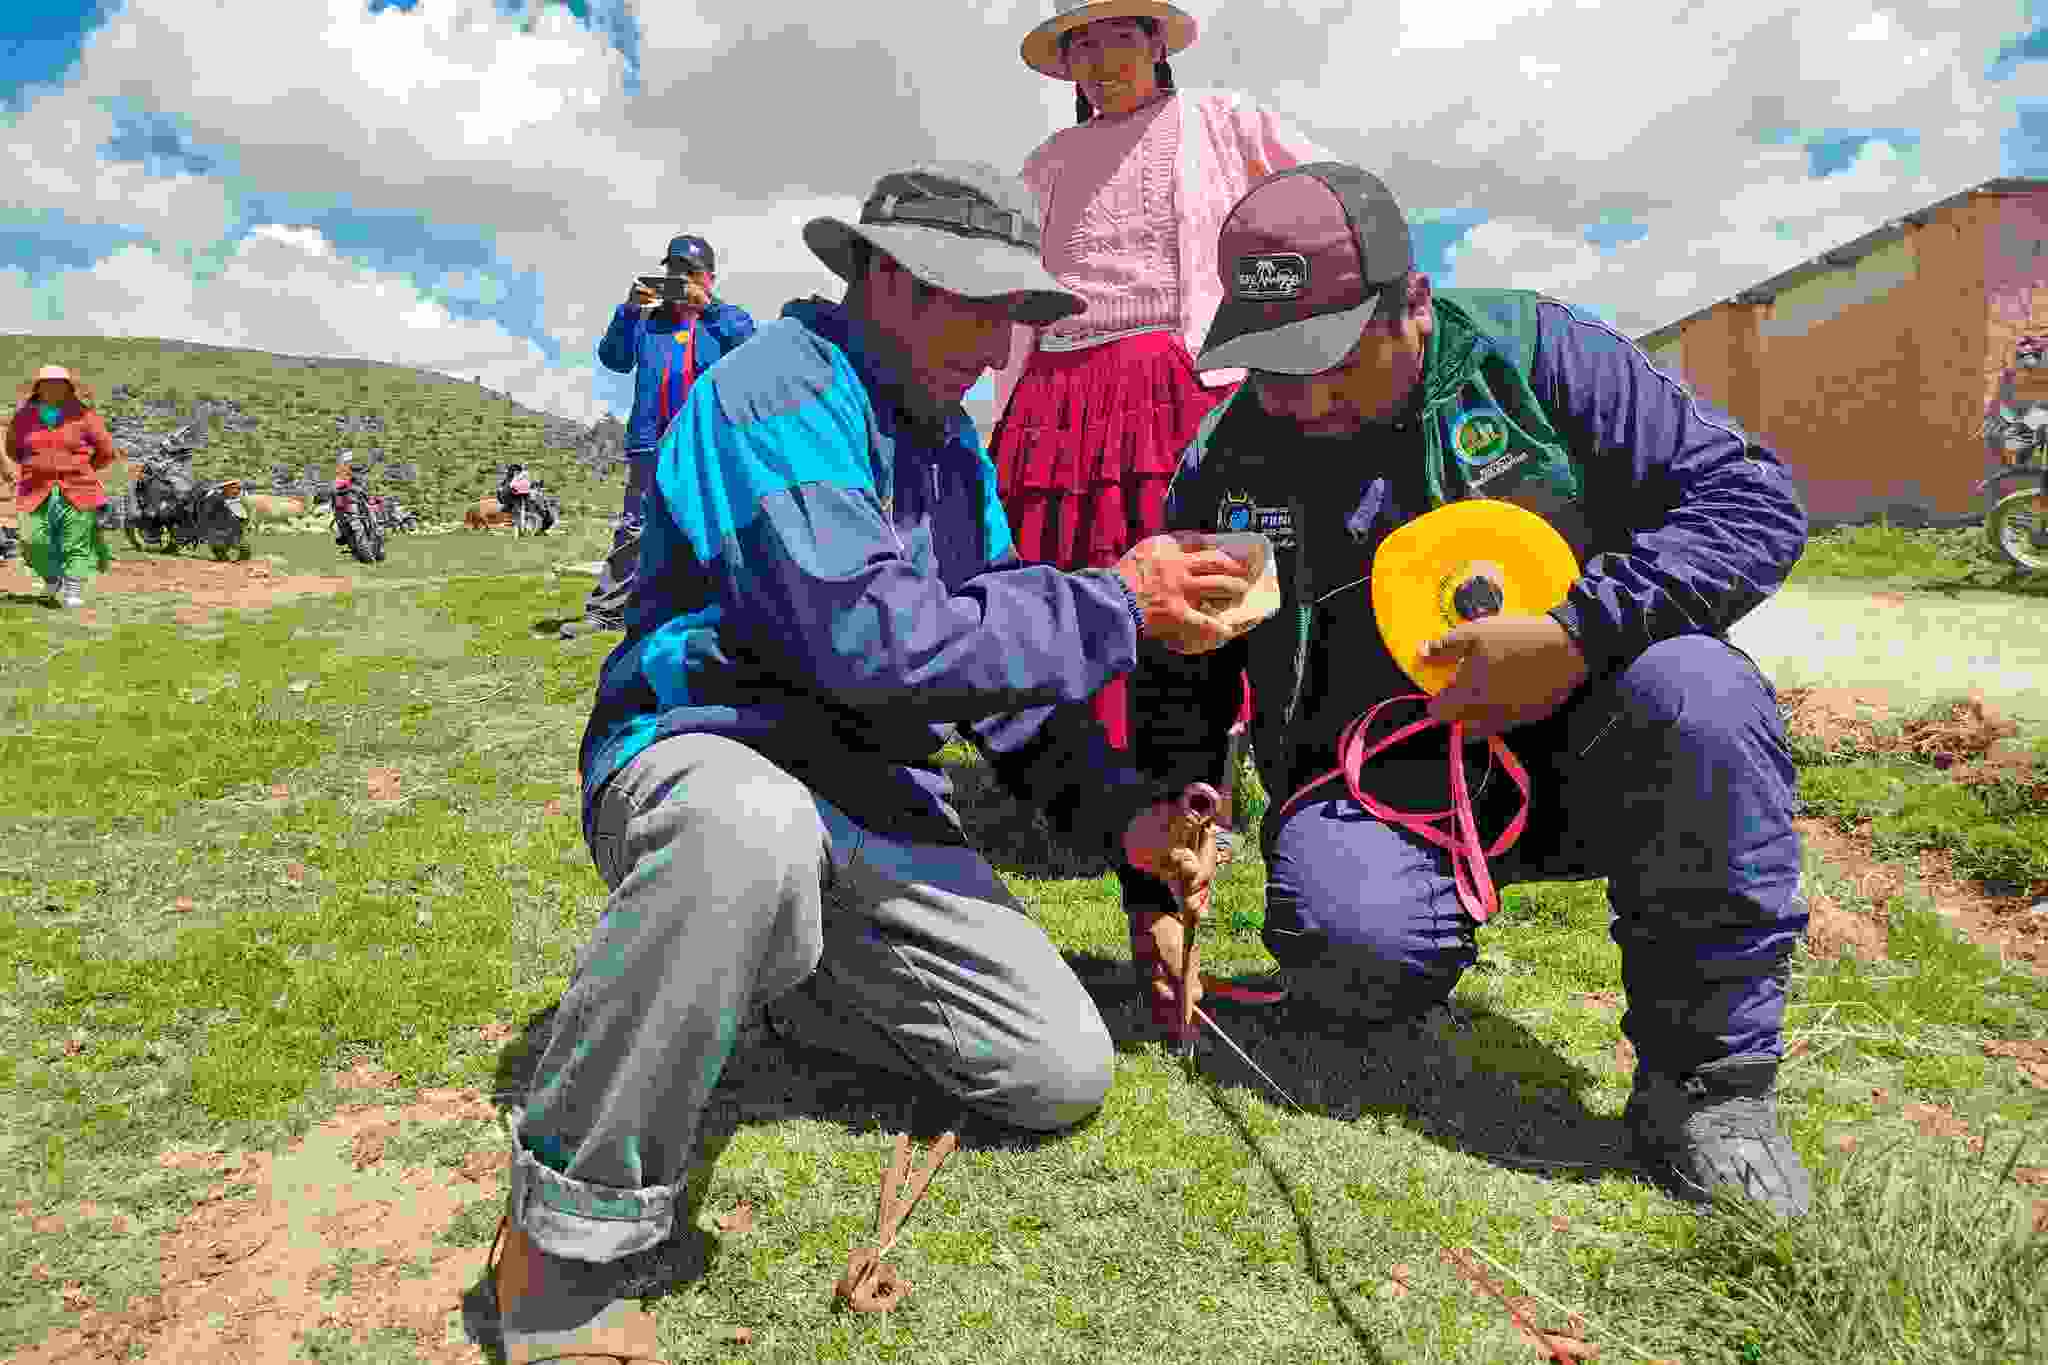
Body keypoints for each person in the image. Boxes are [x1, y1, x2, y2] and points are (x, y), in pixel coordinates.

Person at [486, 160, 1258, 1363]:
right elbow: (862, 637)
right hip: (706, 751)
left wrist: (1126, 823)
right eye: (976, 305)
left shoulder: (949, 448)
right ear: (883, 280)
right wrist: (1112, 598)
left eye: (1014, 315)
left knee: (1051, 1074)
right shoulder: (777, 389)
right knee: (749, 837)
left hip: (864, 793)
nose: (1000, 346)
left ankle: (759, 975)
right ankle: (565, 1233)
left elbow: (987, 661)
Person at [1121, 162, 1817, 1218]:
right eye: (1269, 367)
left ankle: (1706, 1094)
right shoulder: (1229, 456)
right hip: (1378, 782)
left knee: (1700, 692)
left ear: (1410, 304)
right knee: (1351, 955)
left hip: (1593, 751)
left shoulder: (1537, 356)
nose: (1298, 400)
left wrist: (1573, 634)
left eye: (1328, 362)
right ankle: (1391, 943)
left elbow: (1753, 505)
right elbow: (1188, 659)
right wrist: (1169, 840)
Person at [987, 0, 1328, 761]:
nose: (1102, 62)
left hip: (1168, 379)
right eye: (1082, 47)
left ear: (1152, 43)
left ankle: (1196, 755)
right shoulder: (1045, 164)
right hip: (1057, 390)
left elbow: (1323, 193)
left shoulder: (1222, 121)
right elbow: (1011, 278)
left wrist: (1299, 304)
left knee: (1184, 556)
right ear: (1066, 64)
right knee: (1068, 565)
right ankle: (1080, 767)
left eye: (1117, 39)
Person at [561, 234, 758, 641]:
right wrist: (629, 311)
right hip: (652, 441)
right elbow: (613, 359)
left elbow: (752, 352)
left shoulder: (725, 319)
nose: (679, 279)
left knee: (715, 523)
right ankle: (607, 613)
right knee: (634, 528)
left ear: (708, 277)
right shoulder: (649, 323)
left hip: (707, 443)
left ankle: (727, 613)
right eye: (673, 270)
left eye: (689, 272)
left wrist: (709, 307)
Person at [9, 365, 119, 608]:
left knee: (76, 541)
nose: (53, 388)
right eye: (47, 383)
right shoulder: (24, 416)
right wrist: (37, 465)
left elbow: (107, 452)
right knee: (31, 539)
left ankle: (73, 590)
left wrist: (82, 468)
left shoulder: (85, 415)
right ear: (38, 388)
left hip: (78, 487)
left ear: (69, 388)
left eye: (59, 383)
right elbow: (13, 450)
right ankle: (52, 576)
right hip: (35, 488)